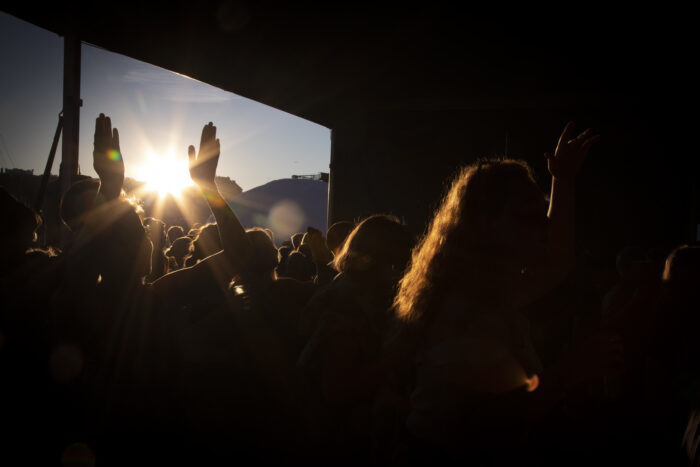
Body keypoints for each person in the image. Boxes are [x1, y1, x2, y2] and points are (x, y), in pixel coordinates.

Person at [387, 122, 622, 463]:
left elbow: (556, 263)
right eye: (528, 216)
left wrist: (563, 181)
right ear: (484, 224)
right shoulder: (465, 309)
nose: (544, 227)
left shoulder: (488, 290)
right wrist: (571, 371)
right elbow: (489, 423)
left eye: (543, 215)